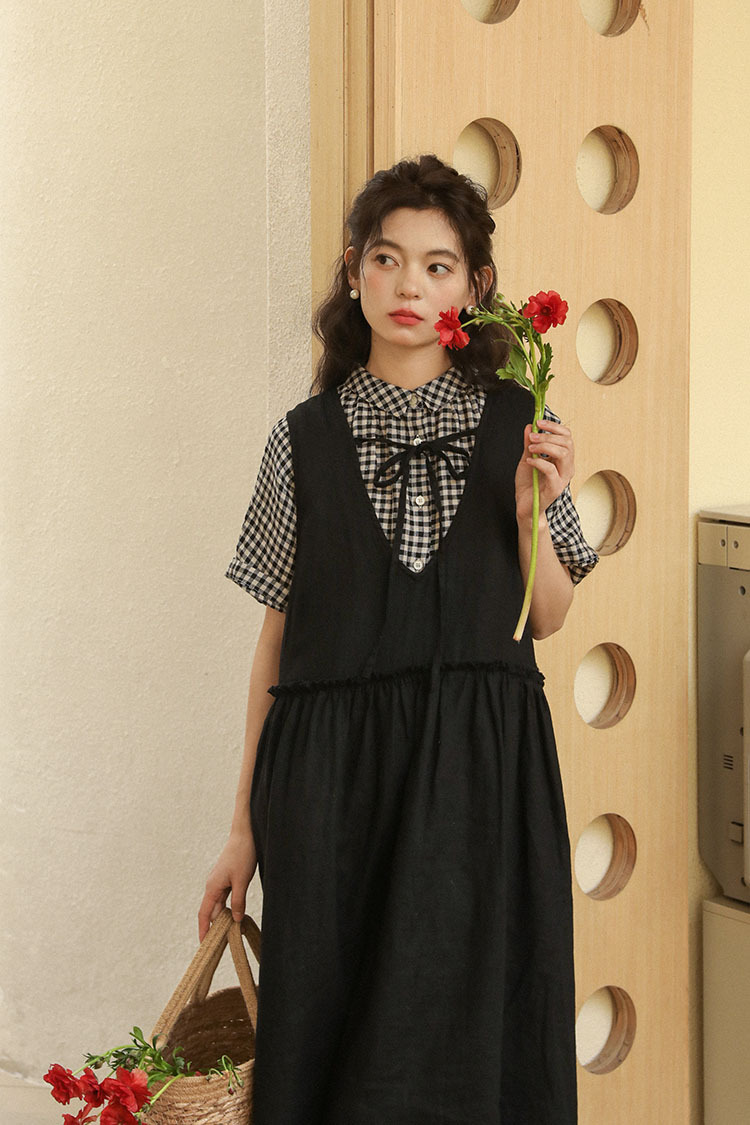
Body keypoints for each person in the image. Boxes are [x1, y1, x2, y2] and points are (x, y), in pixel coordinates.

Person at [198, 154, 598, 1124]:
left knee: (478, 1044)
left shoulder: (525, 421)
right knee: (332, 1047)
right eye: (386, 258)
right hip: (329, 787)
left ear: (476, 288)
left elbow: (547, 617)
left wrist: (530, 510)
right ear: (353, 272)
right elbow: (274, 642)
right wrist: (243, 827)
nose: (409, 285)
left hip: (481, 776)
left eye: (437, 265)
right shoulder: (300, 439)